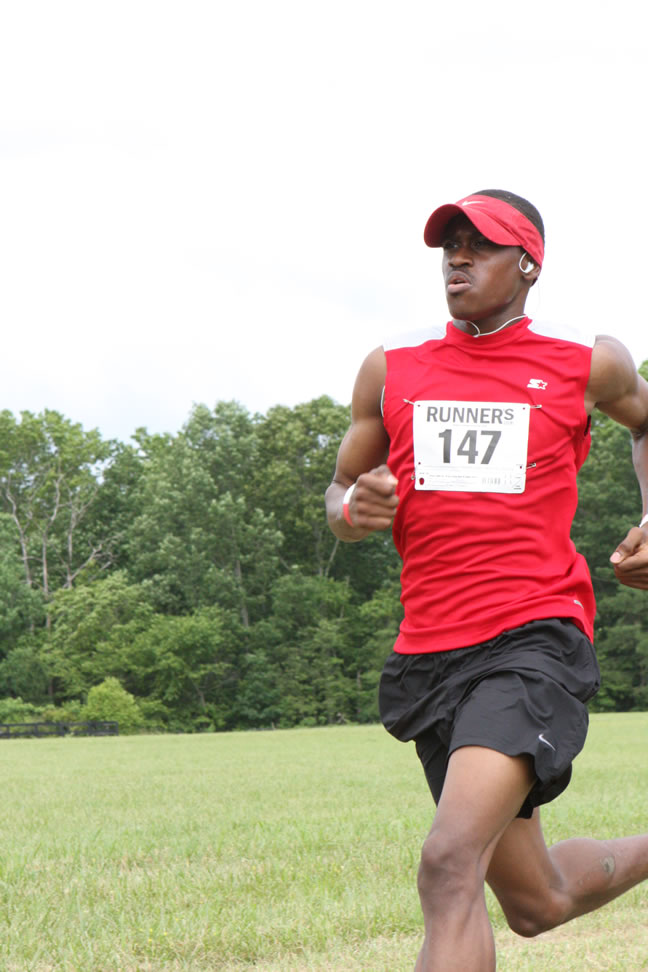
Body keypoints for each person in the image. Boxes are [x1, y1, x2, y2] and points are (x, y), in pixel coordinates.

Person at [325, 189, 648, 972]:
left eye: (480, 245)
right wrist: (352, 510)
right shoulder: (391, 367)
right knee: (538, 903)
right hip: (429, 653)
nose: (458, 258)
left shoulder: (588, 361)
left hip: (533, 639)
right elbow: (339, 492)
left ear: (528, 264)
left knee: (448, 863)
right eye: (450, 246)